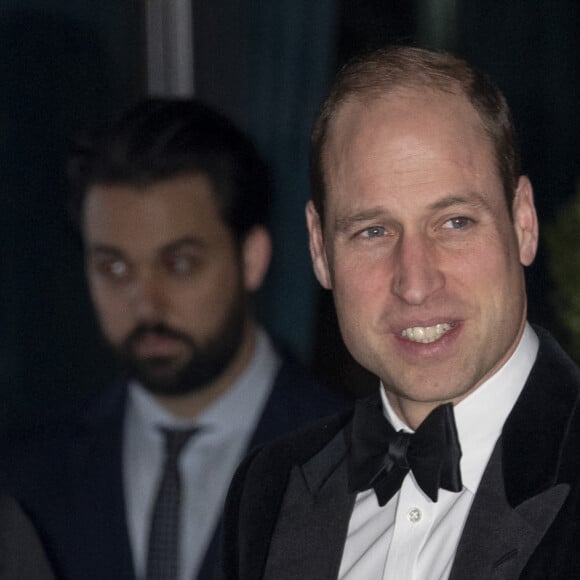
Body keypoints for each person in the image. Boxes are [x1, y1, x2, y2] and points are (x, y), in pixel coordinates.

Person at [221, 46, 580, 579]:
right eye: (373, 232)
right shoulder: (268, 492)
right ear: (320, 250)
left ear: (523, 221)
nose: (415, 284)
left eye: (455, 222)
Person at [0, 98, 344, 580]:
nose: (146, 304)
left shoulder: (361, 465)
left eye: (179, 264)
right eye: (113, 268)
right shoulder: (25, 478)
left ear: (252, 258)